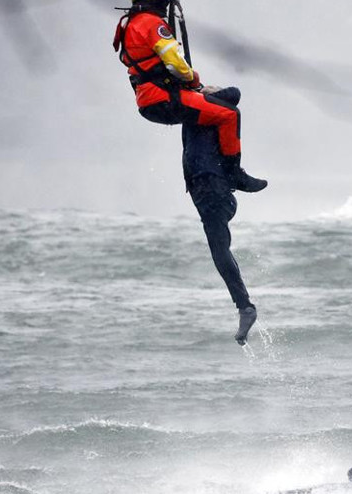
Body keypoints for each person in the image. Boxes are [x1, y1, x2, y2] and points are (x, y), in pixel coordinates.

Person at [113, 0, 266, 345]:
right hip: (168, 109)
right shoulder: (151, 24)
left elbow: (229, 93)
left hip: (154, 102)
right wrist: (194, 81)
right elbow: (174, 59)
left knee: (223, 109)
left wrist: (196, 89)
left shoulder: (131, 23)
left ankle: (244, 306)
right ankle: (236, 173)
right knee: (228, 115)